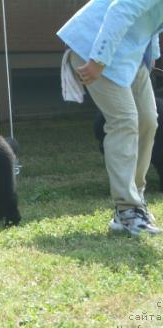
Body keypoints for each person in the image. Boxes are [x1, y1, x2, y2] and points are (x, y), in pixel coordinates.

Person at [57, 0, 163, 236]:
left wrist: (153, 55)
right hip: (92, 49)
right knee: (124, 121)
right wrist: (98, 61)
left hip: (130, 55)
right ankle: (127, 209)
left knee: (148, 119)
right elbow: (120, 9)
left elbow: (154, 20)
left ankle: (135, 201)